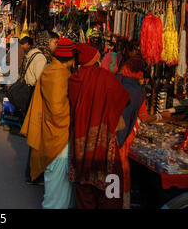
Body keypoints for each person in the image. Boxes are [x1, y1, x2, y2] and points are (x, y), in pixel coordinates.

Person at [68, 43, 130, 209]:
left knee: (84, 190)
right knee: (111, 186)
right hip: (105, 142)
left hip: (80, 141)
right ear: (95, 59)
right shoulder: (104, 76)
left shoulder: (74, 79)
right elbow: (123, 98)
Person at [21, 38, 77, 209]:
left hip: (49, 131)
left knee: (57, 185)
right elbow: (58, 111)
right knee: (56, 190)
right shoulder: (59, 74)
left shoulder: (50, 69)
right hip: (57, 137)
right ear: (69, 58)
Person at [115, 57, 170, 209]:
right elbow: (144, 117)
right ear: (139, 72)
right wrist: (161, 116)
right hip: (124, 136)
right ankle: (121, 202)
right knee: (121, 168)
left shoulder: (115, 80)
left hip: (108, 133)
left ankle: (109, 199)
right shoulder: (139, 92)